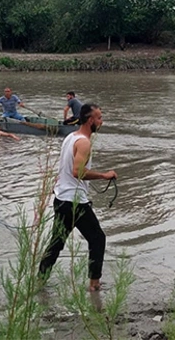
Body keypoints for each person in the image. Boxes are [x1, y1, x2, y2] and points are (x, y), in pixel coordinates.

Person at [39, 103, 116, 292]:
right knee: (97, 238)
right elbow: (77, 171)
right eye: (99, 118)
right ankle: (94, 284)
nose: (101, 121)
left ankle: (40, 281)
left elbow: (63, 167)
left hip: (62, 198)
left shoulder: (70, 137)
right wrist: (104, 175)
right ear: (90, 120)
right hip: (75, 202)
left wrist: (58, 186)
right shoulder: (84, 142)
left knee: (56, 242)